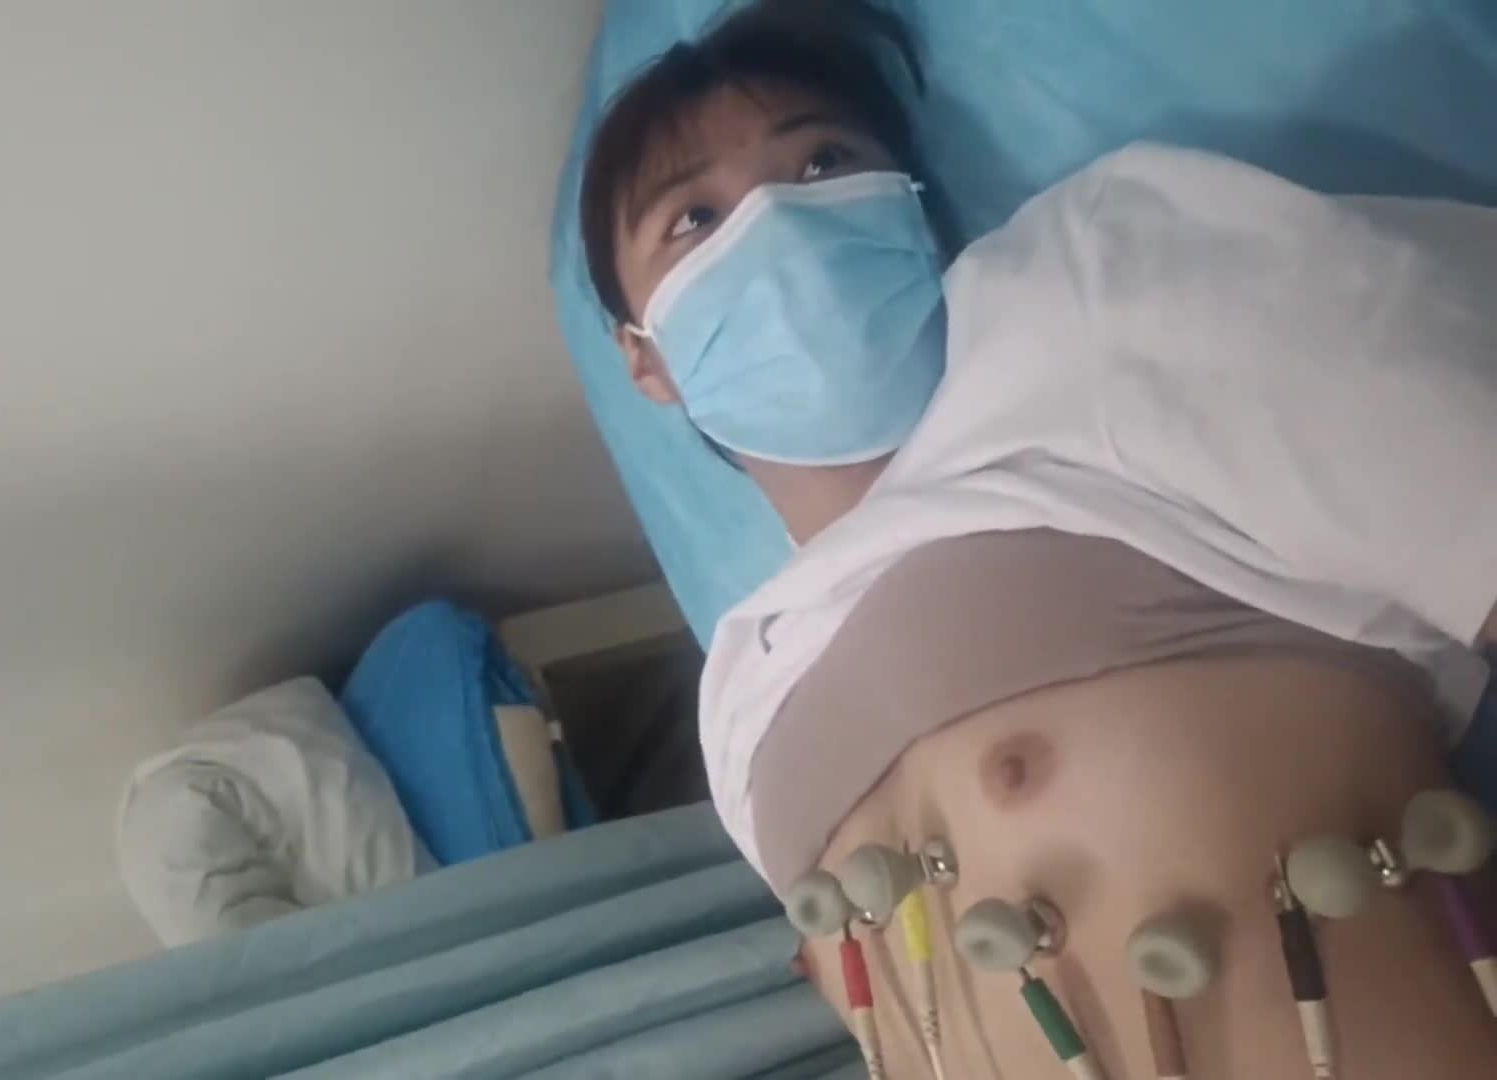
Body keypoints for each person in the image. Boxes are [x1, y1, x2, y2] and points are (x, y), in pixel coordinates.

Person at [578, 1, 1497, 1075]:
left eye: (824, 162)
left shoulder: (1095, 290)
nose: (776, 223)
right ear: (644, 359)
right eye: (693, 218)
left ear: (916, 220)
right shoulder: (740, 696)